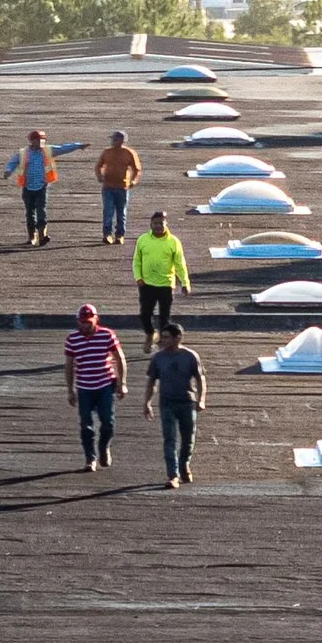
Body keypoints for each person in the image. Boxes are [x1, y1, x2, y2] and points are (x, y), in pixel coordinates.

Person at [143, 322, 209, 489]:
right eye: (162, 337)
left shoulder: (190, 356)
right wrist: (147, 402)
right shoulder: (158, 358)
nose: (163, 341)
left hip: (186, 402)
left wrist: (201, 399)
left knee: (188, 438)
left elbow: (200, 379)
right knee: (169, 439)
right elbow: (152, 381)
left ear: (177, 338)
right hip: (167, 403)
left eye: (166, 337)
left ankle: (184, 463)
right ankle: (172, 475)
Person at [62, 303, 127, 472]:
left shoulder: (106, 335)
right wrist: (70, 390)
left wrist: (122, 383)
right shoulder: (72, 339)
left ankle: (104, 446)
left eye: (88, 322)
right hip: (84, 386)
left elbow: (119, 358)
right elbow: (69, 365)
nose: (85, 325)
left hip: (105, 383)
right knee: (86, 425)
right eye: (82, 322)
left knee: (108, 421)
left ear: (95, 319)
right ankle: (90, 458)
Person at [131, 210, 191, 354]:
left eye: (161, 223)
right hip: (147, 284)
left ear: (166, 224)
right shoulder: (143, 239)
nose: (158, 226)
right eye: (155, 223)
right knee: (145, 314)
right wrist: (138, 277)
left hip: (166, 284)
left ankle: (163, 344)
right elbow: (136, 261)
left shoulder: (173, 242)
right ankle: (150, 334)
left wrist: (185, 282)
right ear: (151, 224)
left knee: (164, 318)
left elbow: (180, 264)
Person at [4, 128, 58, 246]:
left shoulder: (47, 151)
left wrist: (78, 146)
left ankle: (42, 235)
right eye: (39, 140)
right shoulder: (24, 153)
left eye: (43, 140)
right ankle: (32, 236)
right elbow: (13, 162)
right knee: (30, 213)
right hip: (27, 187)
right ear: (32, 141)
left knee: (41, 211)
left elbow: (63, 148)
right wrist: (8, 170)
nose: (41, 143)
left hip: (41, 187)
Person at [94, 131, 141, 245]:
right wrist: (99, 176)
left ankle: (120, 235)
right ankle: (107, 234)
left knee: (121, 212)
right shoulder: (107, 152)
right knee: (108, 211)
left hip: (122, 187)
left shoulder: (129, 153)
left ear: (122, 141)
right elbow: (98, 166)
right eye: (112, 139)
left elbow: (136, 169)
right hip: (108, 186)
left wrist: (134, 180)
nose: (113, 142)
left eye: (115, 139)